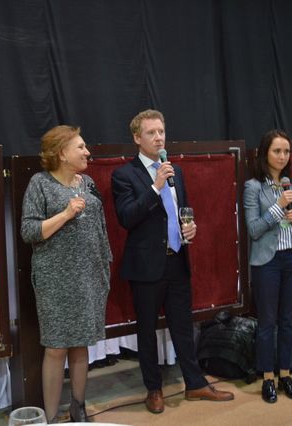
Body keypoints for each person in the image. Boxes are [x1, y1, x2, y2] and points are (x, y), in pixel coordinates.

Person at [111, 109, 234, 414]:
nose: (159, 138)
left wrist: (189, 227)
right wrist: (155, 186)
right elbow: (127, 217)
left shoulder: (175, 170)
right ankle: (153, 389)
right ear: (137, 138)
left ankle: (195, 383)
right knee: (147, 331)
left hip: (177, 259)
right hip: (146, 266)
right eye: (151, 133)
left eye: (161, 131)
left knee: (183, 326)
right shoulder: (124, 175)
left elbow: (182, 210)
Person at [21, 125, 112, 423]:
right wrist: (66, 213)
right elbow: (29, 230)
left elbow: (100, 227)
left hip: (89, 276)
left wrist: (104, 264)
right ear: (62, 153)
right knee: (56, 347)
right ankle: (49, 417)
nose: (88, 152)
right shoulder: (40, 184)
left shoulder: (87, 183)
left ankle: (78, 408)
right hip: (55, 280)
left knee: (81, 344)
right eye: (81, 147)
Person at [243, 129, 292, 404]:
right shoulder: (253, 187)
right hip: (267, 261)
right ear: (264, 154)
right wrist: (278, 207)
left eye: (286, 151)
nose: (283, 156)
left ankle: (285, 374)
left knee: (288, 322)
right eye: (277, 151)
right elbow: (254, 229)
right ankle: (268, 377)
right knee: (267, 322)